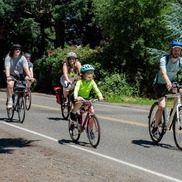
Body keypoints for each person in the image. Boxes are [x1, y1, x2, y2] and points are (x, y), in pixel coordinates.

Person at [152, 39, 182, 136]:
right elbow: (163, 72)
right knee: (162, 106)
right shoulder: (164, 59)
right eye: (175, 50)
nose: (177, 52)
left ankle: (174, 112)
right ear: (171, 50)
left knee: (180, 92)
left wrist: (170, 82)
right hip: (160, 84)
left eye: (179, 50)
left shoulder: (180, 61)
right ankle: (155, 128)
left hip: (172, 83)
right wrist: (167, 81)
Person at [4, 44, 34, 109]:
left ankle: (20, 100)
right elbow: (7, 68)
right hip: (11, 75)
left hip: (20, 76)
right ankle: (9, 101)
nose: (18, 50)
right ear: (13, 50)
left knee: (24, 87)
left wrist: (30, 77)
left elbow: (26, 68)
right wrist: (8, 76)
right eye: (16, 49)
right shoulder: (8, 58)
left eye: (19, 49)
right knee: (10, 85)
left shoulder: (22, 58)